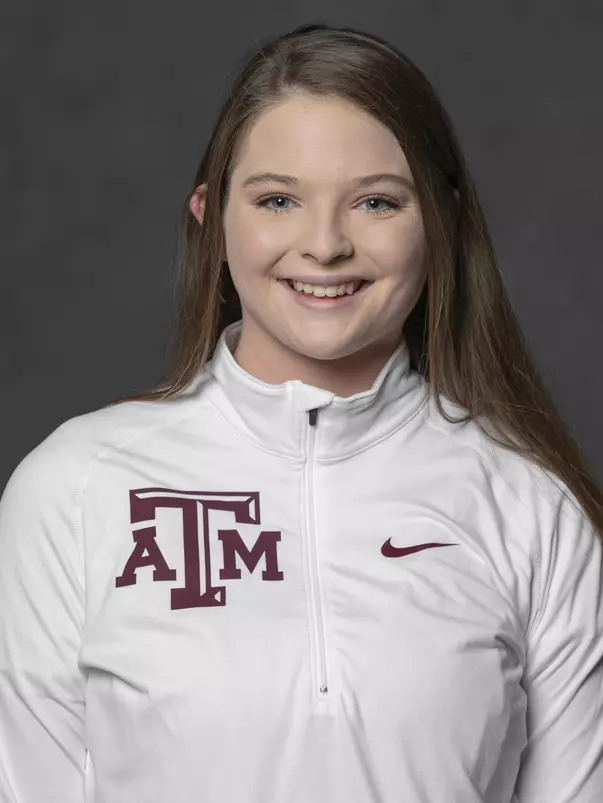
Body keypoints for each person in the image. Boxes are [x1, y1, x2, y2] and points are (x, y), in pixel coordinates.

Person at [0, 21, 601, 803]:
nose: (323, 245)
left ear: (441, 220)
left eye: (376, 202)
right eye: (278, 200)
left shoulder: (531, 505)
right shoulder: (74, 489)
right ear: (211, 215)